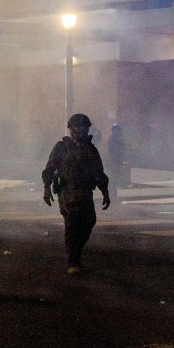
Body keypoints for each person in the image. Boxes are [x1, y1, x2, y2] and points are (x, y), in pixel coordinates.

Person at [42, 113, 111, 275]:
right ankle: (73, 261)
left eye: (84, 127)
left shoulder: (91, 150)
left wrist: (105, 192)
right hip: (67, 192)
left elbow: (98, 173)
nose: (81, 131)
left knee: (88, 222)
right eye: (78, 127)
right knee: (72, 224)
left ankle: (75, 252)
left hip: (85, 192)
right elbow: (49, 169)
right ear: (71, 129)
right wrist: (46, 188)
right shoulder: (61, 147)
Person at [106, 123, 127, 201]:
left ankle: (113, 196)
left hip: (114, 162)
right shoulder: (116, 140)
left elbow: (120, 151)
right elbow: (118, 152)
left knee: (113, 180)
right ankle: (112, 196)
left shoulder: (114, 139)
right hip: (114, 162)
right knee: (113, 180)